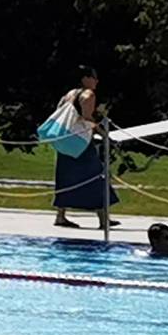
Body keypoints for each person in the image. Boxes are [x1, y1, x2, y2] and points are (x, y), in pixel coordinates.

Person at [51, 67, 119, 231]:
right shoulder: (88, 95)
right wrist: (104, 134)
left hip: (65, 142)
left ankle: (60, 215)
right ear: (85, 78)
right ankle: (103, 219)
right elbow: (87, 120)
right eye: (94, 78)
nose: (96, 81)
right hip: (81, 144)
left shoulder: (69, 94)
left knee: (65, 177)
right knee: (95, 176)